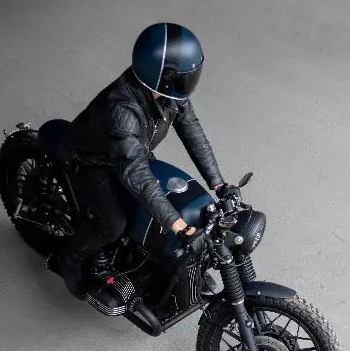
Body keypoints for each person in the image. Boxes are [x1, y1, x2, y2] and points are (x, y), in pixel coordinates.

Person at [45, 23, 240, 297]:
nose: (189, 85)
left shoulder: (170, 94)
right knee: (113, 223)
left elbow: (193, 130)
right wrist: (181, 227)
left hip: (132, 152)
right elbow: (135, 173)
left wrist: (219, 184)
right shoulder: (122, 109)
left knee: (166, 204)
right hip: (93, 161)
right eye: (183, 78)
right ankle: (70, 258)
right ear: (161, 76)